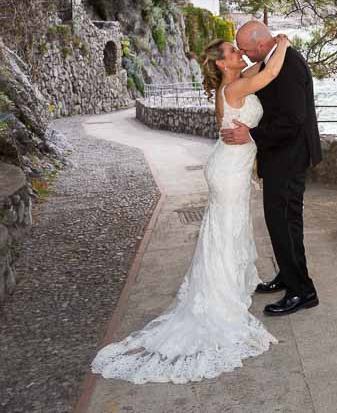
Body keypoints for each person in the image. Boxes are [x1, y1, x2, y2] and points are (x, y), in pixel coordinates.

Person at [91, 34, 292, 384]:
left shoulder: (234, 83)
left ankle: (228, 287)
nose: (239, 53)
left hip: (230, 165)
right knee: (226, 231)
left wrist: (264, 45)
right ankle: (219, 298)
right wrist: (285, 42)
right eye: (233, 51)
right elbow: (271, 73)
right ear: (221, 63)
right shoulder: (233, 90)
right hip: (229, 170)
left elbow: (260, 65)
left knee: (226, 229)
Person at [221, 21, 323, 316]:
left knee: (284, 223)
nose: (243, 53)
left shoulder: (288, 64)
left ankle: (302, 291)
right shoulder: (273, 59)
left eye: (247, 49)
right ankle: (288, 275)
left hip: (289, 158)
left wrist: (251, 135)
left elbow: (292, 119)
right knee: (282, 223)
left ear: (263, 45)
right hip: (280, 155)